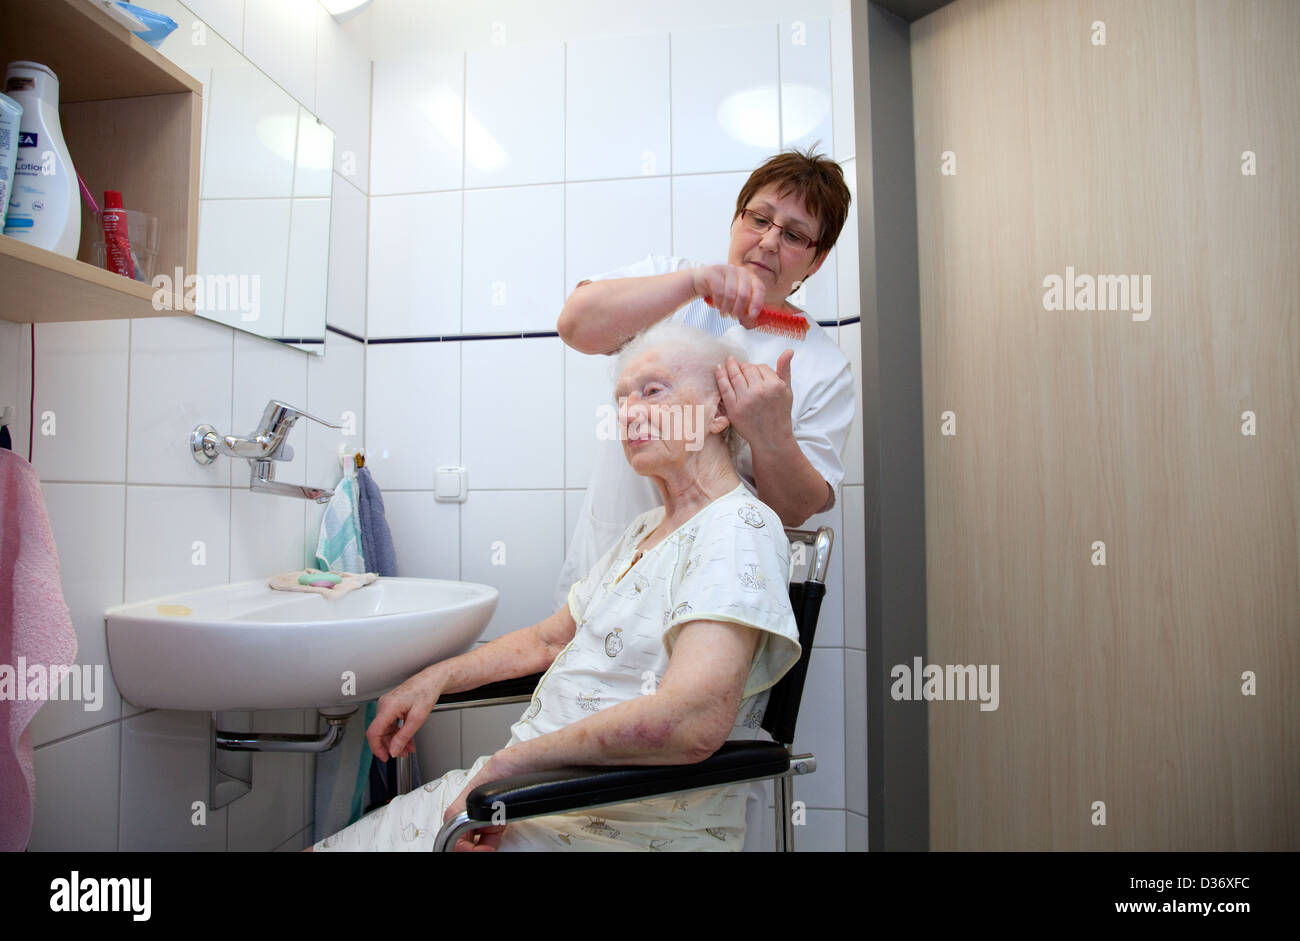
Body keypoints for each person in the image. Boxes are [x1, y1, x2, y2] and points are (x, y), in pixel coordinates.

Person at [309, 322, 801, 852]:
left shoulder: (736, 528)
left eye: (653, 391)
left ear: (718, 411)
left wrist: (507, 766)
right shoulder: (646, 530)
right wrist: (436, 678)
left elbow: (694, 719)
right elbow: (548, 640)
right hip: (531, 795)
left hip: (616, 826)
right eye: (622, 399)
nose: (628, 413)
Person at [553, 146, 855, 612]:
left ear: (817, 260)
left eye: (794, 235)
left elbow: (796, 510)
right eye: (759, 219)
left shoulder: (822, 366)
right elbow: (576, 326)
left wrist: (770, 434)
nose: (770, 242)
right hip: (610, 564)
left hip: (717, 588)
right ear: (737, 218)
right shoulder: (668, 283)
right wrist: (692, 284)